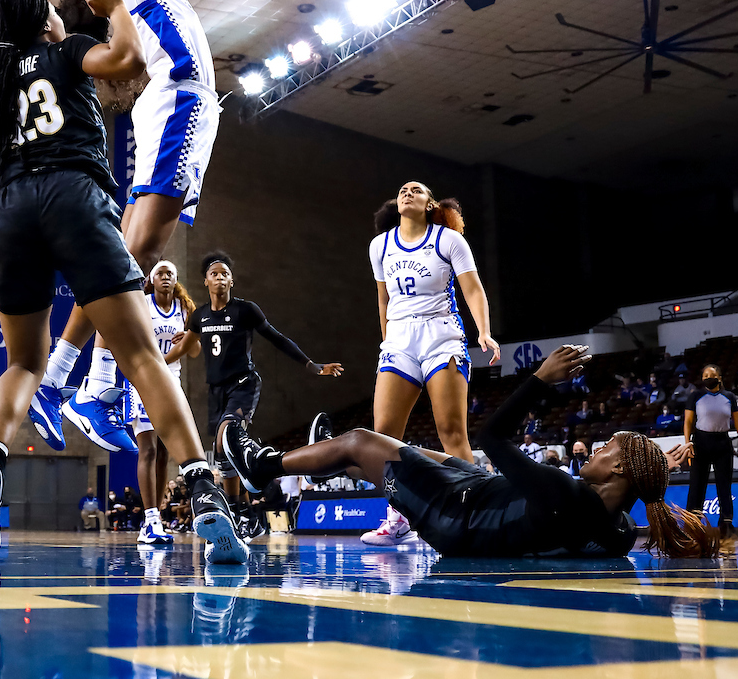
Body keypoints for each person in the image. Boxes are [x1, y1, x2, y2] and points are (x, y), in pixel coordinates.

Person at [0, 0, 246, 564]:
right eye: (54, 13)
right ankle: (205, 491)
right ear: (42, 22)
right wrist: (114, 8)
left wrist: (14, 185)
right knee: (140, 358)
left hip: (10, 212)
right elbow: (127, 61)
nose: (62, 17)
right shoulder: (64, 51)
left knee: (24, 363)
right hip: (75, 197)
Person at [27, 0, 218, 452]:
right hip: (178, 108)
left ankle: (65, 381)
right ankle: (82, 387)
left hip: (176, 110)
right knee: (131, 255)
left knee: (129, 254)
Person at [222, 344, 721, 559]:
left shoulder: (568, 495)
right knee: (400, 452)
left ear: (619, 469)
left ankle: (259, 467)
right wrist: (655, 471)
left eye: (609, 447)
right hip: (477, 496)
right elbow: (626, 512)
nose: (597, 446)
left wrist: (539, 381)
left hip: (454, 517)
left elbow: (491, 437)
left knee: (358, 442)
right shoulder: (615, 530)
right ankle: (317, 459)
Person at [159, 251, 342, 536]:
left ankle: (252, 491)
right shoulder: (199, 316)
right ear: (205, 281)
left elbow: (277, 338)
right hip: (216, 390)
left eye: (224, 273)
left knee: (227, 435)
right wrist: (154, 364)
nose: (219, 277)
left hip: (243, 383)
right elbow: (184, 348)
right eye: (214, 273)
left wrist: (312, 366)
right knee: (222, 457)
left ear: (232, 280)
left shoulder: (246, 310)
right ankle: (241, 513)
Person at [363, 181, 500, 546]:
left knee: (451, 432)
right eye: (403, 189)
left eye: (417, 189)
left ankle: (475, 512)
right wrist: (386, 339)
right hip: (400, 339)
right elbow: (383, 300)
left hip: (442, 336)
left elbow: (472, 288)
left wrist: (484, 331)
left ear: (430, 203)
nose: (407, 192)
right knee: (384, 435)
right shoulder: (380, 245)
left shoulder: (448, 239)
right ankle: (399, 516)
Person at [125, 259, 199, 546]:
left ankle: (155, 519)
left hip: (172, 382)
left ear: (175, 279)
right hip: (143, 381)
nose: (165, 277)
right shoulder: (141, 303)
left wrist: (188, 341)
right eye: (160, 273)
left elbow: (194, 353)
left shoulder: (184, 309)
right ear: (152, 280)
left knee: (165, 453)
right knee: (148, 449)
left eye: (170, 273)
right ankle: (151, 517)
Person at [682, 364, 738, 535]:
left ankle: (726, 523)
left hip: (722, 443)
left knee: (724, 485)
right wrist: (687, 443)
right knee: (697, 483)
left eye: (710, 375)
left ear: (719, 378)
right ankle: (693, 522)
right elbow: (688, 422)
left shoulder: (730, 397)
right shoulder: (695, 396)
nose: (707, 378)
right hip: (700, 442)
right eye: (704, 375)